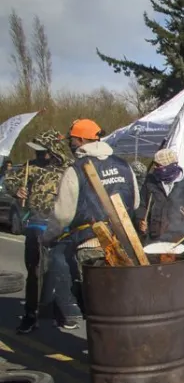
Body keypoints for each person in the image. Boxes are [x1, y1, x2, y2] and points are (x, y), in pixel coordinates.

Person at [44, 119, 140, 330]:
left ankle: (71, 310)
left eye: (72, 140)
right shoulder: (124, 166)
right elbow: (135, 203)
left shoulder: (76, 169)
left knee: (59, 258)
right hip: (126, 241)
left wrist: (50, 235)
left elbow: (63, 215)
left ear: (80, 140)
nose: (70, 144)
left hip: (89, 241)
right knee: (122, 297)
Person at [14, 130, 74, 334]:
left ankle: (60, 312)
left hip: (61, 227)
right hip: (35, 224)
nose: (39, 155)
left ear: (54, 150)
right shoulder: (30, 167)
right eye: (37, 151)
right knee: (34, 271)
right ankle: (31, 314)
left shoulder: (68, 169)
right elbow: (11, 181)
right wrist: (17, 191)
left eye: (43, 151)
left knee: (60, 271)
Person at [135, 149, 184, 245]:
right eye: (155, 164)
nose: (155, 167)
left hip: (180, 238)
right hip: (154, 237)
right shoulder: (151, 182)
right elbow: (142, 205)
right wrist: (140, 221)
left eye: (159, 165)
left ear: (170, 166)